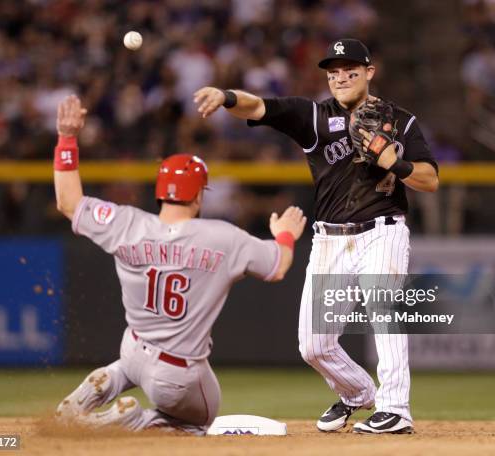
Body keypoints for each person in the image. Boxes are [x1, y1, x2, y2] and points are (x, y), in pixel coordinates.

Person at [194, 38, 439, 434]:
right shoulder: (313, 117)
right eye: (333, 72)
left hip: (383, 231)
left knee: (383, 312)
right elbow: (257, 106)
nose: (341, 78)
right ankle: (359, 395)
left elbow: (430, 180)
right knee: (314, 346)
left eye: (350, 71)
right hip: (330, 240)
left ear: (369, 73)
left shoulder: (400, 119)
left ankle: (395, 409)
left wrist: (397, 162)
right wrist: (224, 96)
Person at [53, 95, 306, 434]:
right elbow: (278, 266)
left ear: (160, 192)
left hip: (133, 348)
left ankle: (101, 385)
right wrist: (285, 235)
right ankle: (134, 421)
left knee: (131, 366)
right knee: (200, 421)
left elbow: (68, 202)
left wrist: (67, 137)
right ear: (200, 195)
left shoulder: (126, 223)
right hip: (176, 375)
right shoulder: (223, 238)